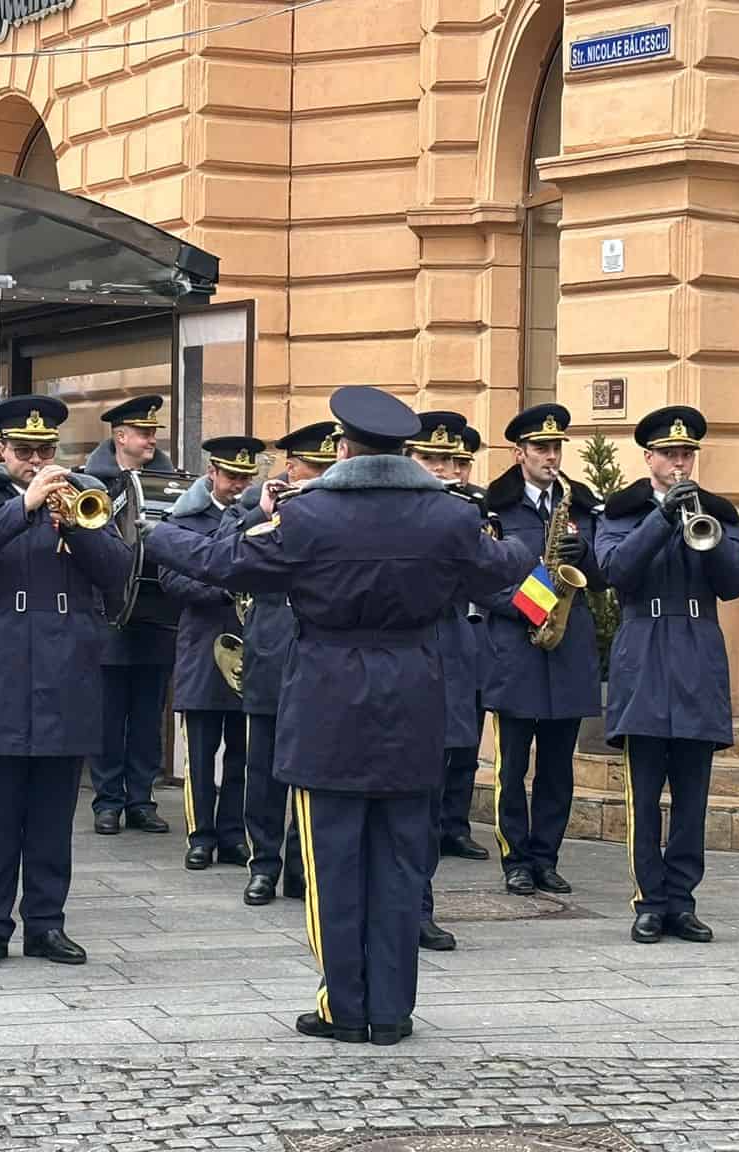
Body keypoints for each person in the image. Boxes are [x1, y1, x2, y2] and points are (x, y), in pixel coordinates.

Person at [146, 385, 533, 1045]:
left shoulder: (311, 516)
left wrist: (154, 535)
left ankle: (342, 1008)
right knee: (403, 860)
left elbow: (222, 563)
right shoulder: (448, 518)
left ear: (344, 448)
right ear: (406, 452)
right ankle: (393, 1012)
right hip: (416, 692)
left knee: (334, 863)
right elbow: (511, 569)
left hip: (328, 697)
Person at [0, 396, 131, 970]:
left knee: (53, 815)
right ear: (2, 450)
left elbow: (119, 571)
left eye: (45, 451)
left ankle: (47, 924)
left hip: (64, 673)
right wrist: (22, 507)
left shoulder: (81, 497)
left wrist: (80, 526)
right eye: (24, 452)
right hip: (0, 675)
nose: (37, 461)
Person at [596, 407, 739, 944]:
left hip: (696, 653)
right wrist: (661, 518)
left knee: (692, 795)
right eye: (669, 454)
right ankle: (648, 899)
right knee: (643, 793)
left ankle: (682, 901)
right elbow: (615, 571)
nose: (679, 462)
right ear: (649, 459)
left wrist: (697, 532)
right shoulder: (622, 511)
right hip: (643, 651)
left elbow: (736, 582)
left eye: (686, 454)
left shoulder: (717, 512)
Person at [480, 404, 600, 897]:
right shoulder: (495, 507)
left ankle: (547, 856)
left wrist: (586, 555)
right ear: (519, 452)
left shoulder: (582, 506)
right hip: (516, 648)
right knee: (512, 765)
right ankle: (515, 857)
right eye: (541, 448)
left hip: (567, 649)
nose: (551, 457)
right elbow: (481, 578)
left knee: (557, 764)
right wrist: (531, 606)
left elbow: (606, 572)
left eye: (557, 448)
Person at [224, 423, 337, 906]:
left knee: (314, 768)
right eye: (312, 468)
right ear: (291, 469)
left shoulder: (338, 514)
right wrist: (261, 511)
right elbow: (228, 558)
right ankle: (264, 865)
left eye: (329, 469)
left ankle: (301, 865)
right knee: (264, 768)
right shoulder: (263, 515)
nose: (319, 478)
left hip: (320, 659)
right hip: (272, 651)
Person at [161, 436, 263, 871]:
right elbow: (171, 579)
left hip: (251, 644)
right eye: (231, 476)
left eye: (246, 477)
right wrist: (224, 587)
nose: (238, 484)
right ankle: (200, 836)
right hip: (203, 644)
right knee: (202, 753)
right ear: (212, 475)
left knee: (242, 751)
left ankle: (232, 834)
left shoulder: (260, 518)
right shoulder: (187, 519)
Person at [83, 395, 176, 836]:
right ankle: (107, 801)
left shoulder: (170, 482)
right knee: (105, 715)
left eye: (153, 432)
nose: (151, 439)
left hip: (155, 615)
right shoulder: (90, 481)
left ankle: (141, 798)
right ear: (120, 437)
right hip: (107, 616)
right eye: (143, 433)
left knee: (146, 717)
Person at [414, 411, 490, 866]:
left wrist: (541, 611)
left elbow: (494, 574)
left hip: (465, 642)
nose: (444, 469)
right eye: (432, 458)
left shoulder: (473, 509)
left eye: (450, 459)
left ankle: (451, 831)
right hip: (414, 649)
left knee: (458, 751)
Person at [443, 423, 492, 860]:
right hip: (443, 626)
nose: (457, 472)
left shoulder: (480, 505)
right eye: (450, 462)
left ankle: (455, 825)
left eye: (463, 463)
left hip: (479, 633)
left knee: (467, 739)